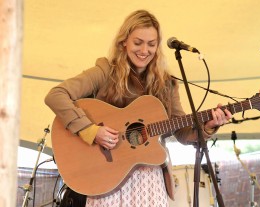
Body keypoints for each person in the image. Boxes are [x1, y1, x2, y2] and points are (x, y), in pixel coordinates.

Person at [45, 9, 232, 207]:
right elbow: (56, 95)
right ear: (124, 41)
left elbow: (181, 132)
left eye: (151, 44)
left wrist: (208, 126)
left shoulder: (166, 84)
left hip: (150, 179)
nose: (144, 50)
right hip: (107, 176)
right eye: (138, 42)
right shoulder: (104, 72)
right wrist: (91, 131)